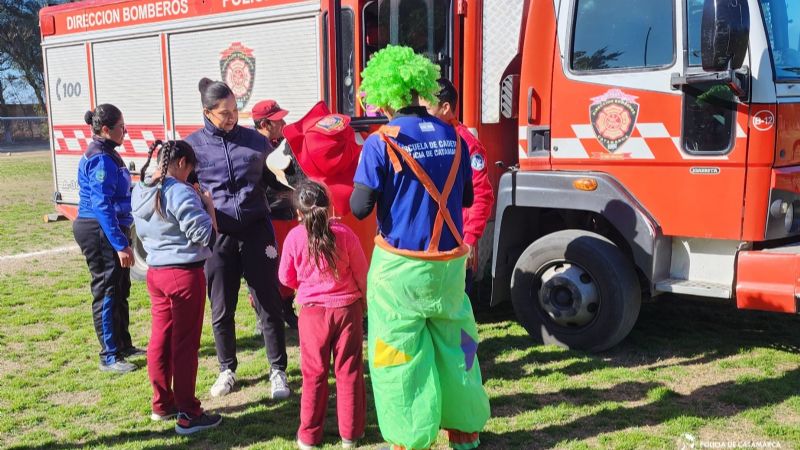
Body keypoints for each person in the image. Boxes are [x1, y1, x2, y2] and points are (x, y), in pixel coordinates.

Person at [350, 45, 490, 450]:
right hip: (448, 268)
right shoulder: (455, 135)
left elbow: (360, 208)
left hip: (400, 269)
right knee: (458, 346)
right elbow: (465, 199)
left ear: (388, 95)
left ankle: (411, 441)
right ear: (418, 89)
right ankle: (465, 433)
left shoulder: (381, 141)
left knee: (399, 354)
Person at [184, 78, 290, 400]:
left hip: (257, 231)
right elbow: (181, 189)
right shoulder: (193, 147)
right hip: (219, 238)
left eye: (234, 110)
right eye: (224, 113)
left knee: (268, 302)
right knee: (221, 307)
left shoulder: (256, 142)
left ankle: (278, 371)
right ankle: (227, 369)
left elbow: (283, 178)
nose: (232, 117)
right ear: (207, 112)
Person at [131, 140, 223, 435]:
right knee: (185, 344)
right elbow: (204, 234)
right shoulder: (180, 191)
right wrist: (208, 206)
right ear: (182, 162)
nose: (190, 175)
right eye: (190, 169)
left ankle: (162, 403)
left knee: (160, 337)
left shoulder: (142, 189)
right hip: (183, 272)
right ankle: (188, 413)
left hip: (157, 271)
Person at [278, 180, 367, 450]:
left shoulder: (294, 237)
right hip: (346, 310)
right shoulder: (346, 234)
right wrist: (364, 303)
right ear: (329, 208)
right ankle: (350, 435)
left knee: (313, 375)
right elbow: (362, 273)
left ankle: (309, 436)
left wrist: (302, 286)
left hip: (312, 315)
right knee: (349, 372)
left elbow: (284, 276)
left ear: (298, 213)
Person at [73, 104, 144, 374]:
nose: (125, 132)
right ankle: (109, 355)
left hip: (109, 227)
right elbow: (102, 205)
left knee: (121, 289)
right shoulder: (100, 158)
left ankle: (123, 344)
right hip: (98, 230)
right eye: (121, 128)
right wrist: (119, 244)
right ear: (105, 130)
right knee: (107, 291)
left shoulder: (109, 154)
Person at [420, 78, 495, 294]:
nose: (423, 114)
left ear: (446, 107)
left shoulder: (467, 144)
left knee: (457, 315)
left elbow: (482, 195)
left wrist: (469, 241)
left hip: (456, 243)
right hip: (433, 242)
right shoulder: (426, 137)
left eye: (427, 108)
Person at [252, 99, 299, 329]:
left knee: (290, 263)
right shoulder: (253, 147)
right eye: (277, 119)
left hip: (289, 212)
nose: (283, 122)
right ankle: (263, 314)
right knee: (268, 266)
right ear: (263, 124)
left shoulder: (283, 142)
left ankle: (287, 308)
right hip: (269, 215)